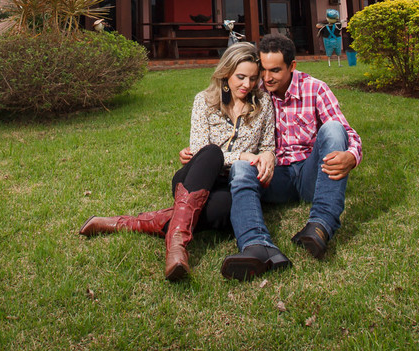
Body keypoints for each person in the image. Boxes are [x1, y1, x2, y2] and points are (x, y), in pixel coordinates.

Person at [79, 43, 289, 281]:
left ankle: (126, 223)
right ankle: (177, 249)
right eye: (240, 77)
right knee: (212, 153)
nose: (247, 85)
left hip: (229, 186)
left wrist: (268, 156)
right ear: (226, 73)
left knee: (226, 210)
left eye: (253, 78)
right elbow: (200, 151)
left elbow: (266, 146)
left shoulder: (262, 104)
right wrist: (242, 156)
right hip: (196, 177)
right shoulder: (205, 101)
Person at [215, 32, 362, 277]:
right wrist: (199, 151)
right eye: (263, 69)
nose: (266, 77)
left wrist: (352, 156)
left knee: (334, 130)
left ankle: (321, 226)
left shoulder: (315, 89)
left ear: (292, 66)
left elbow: (348, 132)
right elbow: (223, 120)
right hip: (274, 177)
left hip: (310, 174)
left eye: (275, 70)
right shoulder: (255, 91)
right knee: (241, 168)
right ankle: (255, 245)